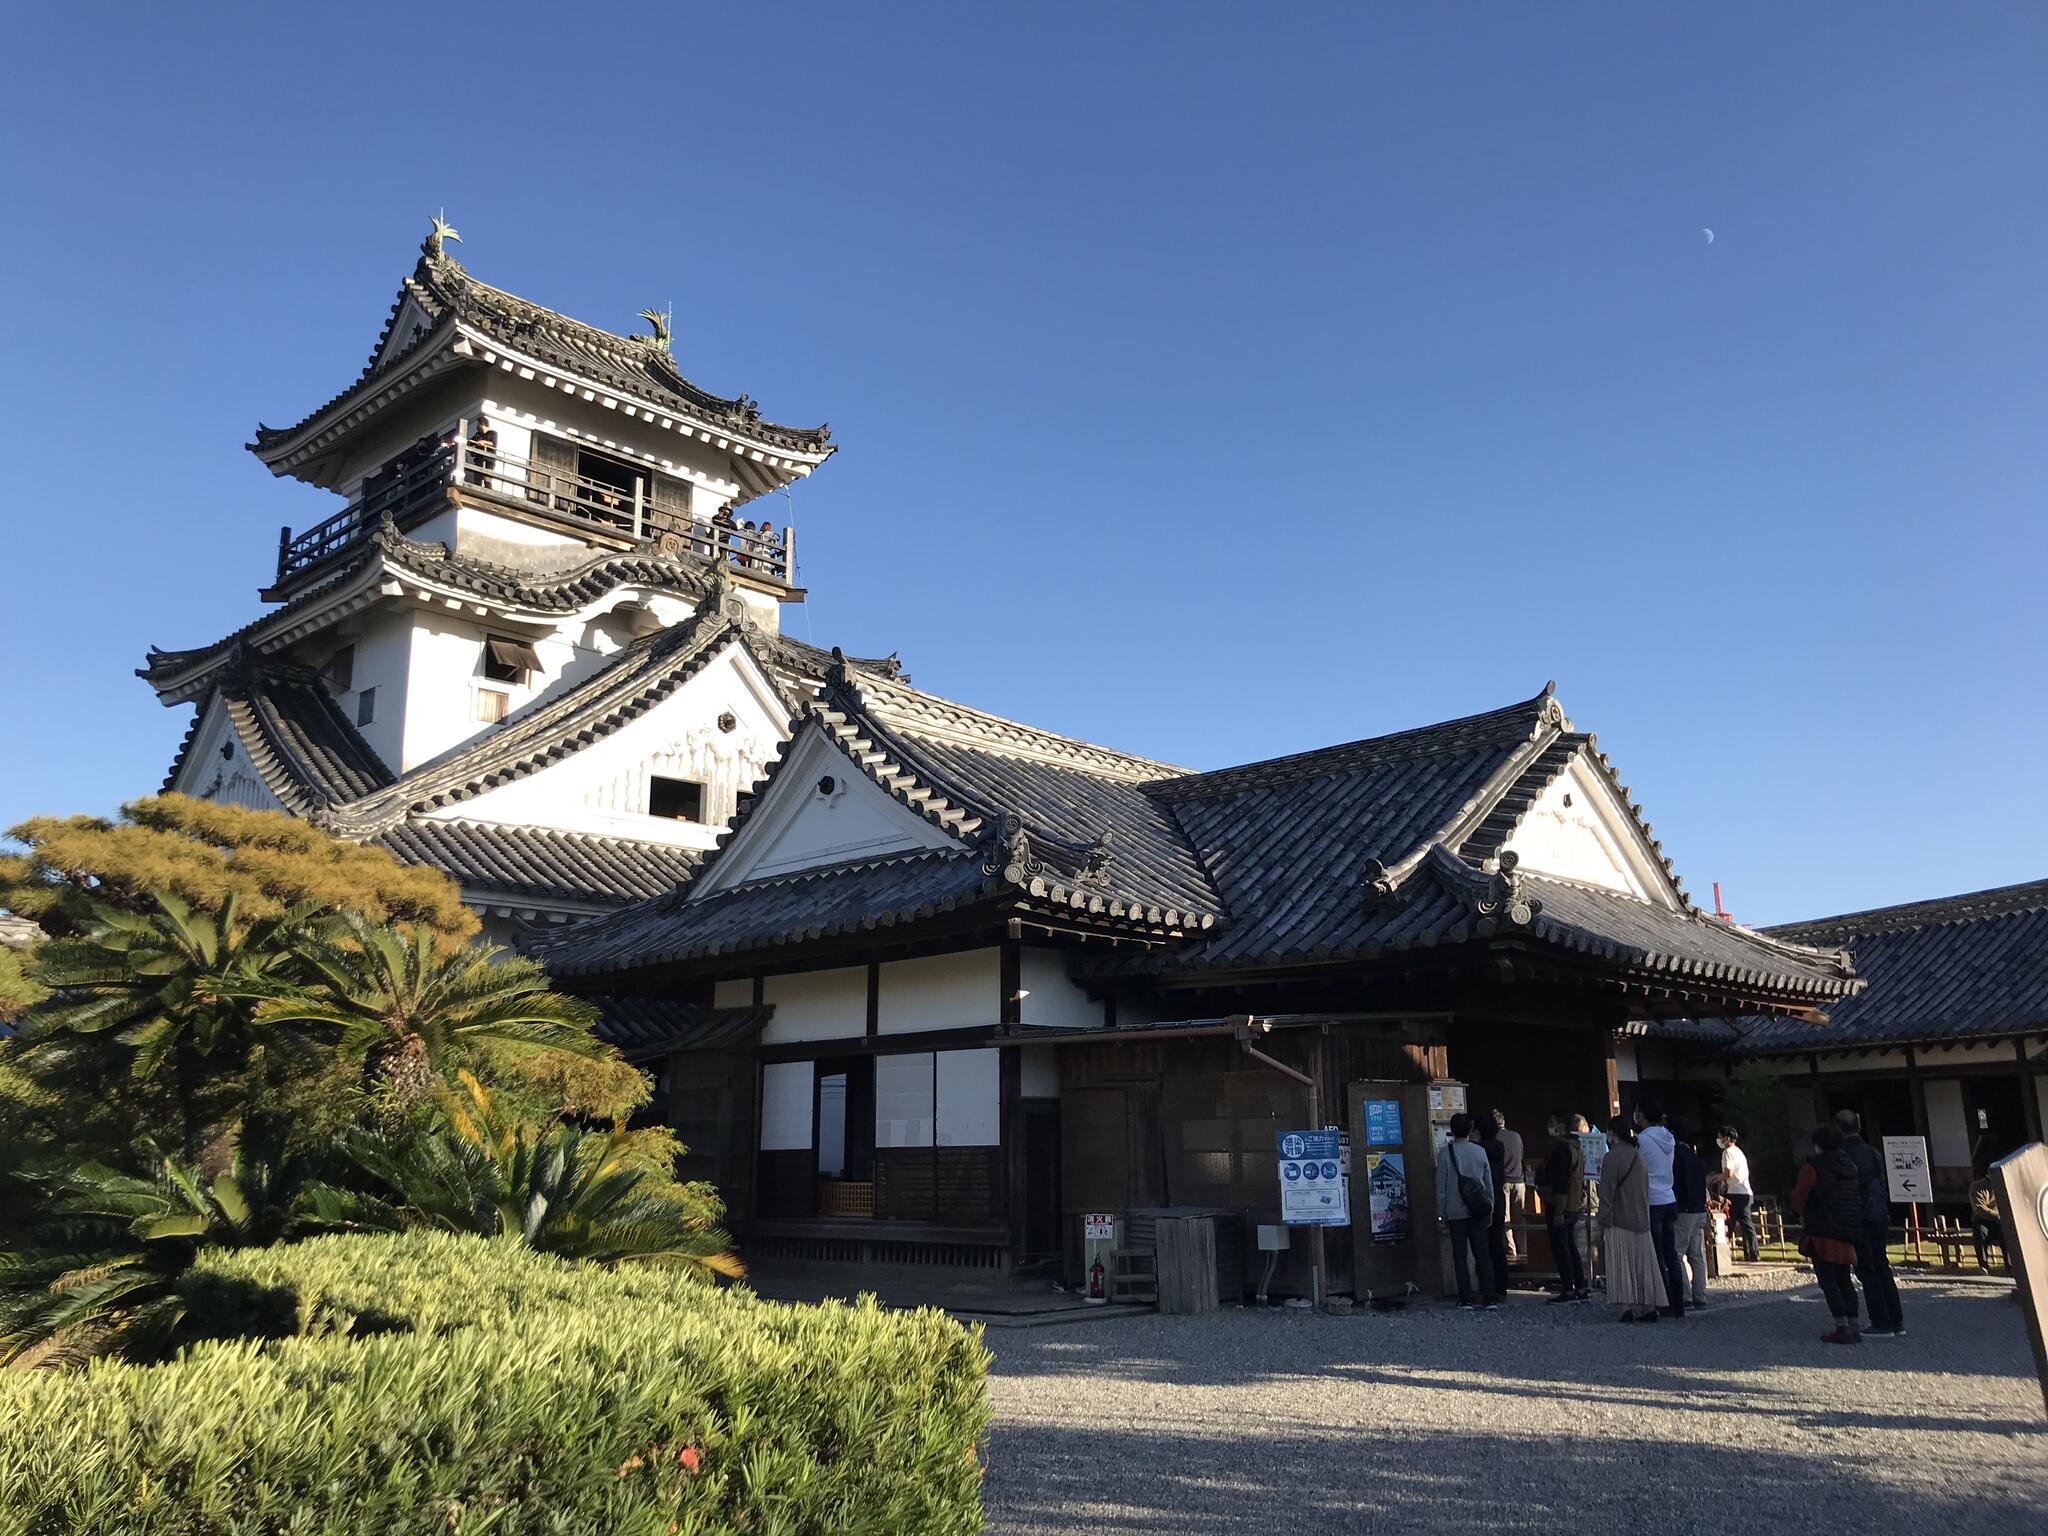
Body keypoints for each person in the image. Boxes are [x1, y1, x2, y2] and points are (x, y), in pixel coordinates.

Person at [1792, 1123, 1865, 1345]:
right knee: (1845, 1280)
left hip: (1822, 1228)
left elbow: (1799, 1197)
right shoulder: (1849, 1165)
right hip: (1847, 1227)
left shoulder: (1813, 1167)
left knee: (1828, 1281)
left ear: (1818, 1145)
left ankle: (1841, 1327)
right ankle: (1854, 1325)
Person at [1834, 1110, 1904, 1336]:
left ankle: (1880, 1321)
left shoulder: (1841, 1155)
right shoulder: (1873, 1153)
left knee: (1867, 1270)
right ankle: (1896, 1321)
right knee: (1882, 1267)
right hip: (1878, 1214)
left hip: (1858, 1217)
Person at [1598, 1120, 1667, 1323]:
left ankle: (1626, 1306)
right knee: (1643, 1264)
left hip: (1619, 1217)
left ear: (1611, 1134)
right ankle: (1648, 1305)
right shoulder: (1639, 1156)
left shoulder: (1611, 1158)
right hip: (1641, 1217)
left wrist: (1603, 1215)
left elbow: (1607, 1191)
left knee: (1621, 1263)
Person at [1435, 1114, 1497, 1310]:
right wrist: (1490, 1208)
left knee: (1460, 1256)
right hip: (1478, 1210)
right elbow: (1488, 1183)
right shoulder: (1480, 1152)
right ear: (1470, 1130)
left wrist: (1442, 1212)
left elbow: (1441, 1187)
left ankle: (1465, 1297)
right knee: (1482, 1254)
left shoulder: (1445, 1153)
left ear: (1452, 1130)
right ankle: (1489, 1297)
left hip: (1455, 1211)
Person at [1634, 1096, 1685, 1318]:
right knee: (1671, 1253)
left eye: (1637, 1112)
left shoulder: (1642, 1140)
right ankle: (1678, 1301)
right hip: (1669, 1195)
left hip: (1652, 1198)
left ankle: (1663, 1301)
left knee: (1657, 1255)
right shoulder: (1669, 1137)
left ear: (1643, 1115)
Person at [1542, 1109, 1590, 1303]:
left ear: (1562, 1127)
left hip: (1560, 1204)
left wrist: (1559, 1210)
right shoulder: (1576, 1147)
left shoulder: (1561, 1149)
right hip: (1573, 1204)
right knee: (1570, 1246)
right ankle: (1579, 1286)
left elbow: (1560, 1183)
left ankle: (1568, 1288)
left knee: (1561, 1247)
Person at [1671, 1120, 1710, 1309]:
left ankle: (1684, 1295)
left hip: (1684, 1209)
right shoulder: (1695, 1157)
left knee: (1677, 1253)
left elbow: (1678, 1184)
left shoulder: (1676, 1156)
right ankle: (1700, 1295)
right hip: (1699, 1208)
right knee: (1696, 1254)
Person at [1475, 1109, 1510, 1303]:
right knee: (1497, 1245)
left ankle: (1487, 1287)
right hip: (1499, 1198)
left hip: (1483, 1200)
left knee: (1484, 1247)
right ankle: (1501, 1286)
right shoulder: (1499, 1147)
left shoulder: (1479, 1150)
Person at [1716, 1127, 1759, 1262]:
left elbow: (1728, 1173)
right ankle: (1752, 1253)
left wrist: (1715, 1179)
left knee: (1728, 1223)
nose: (1719, 1140)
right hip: (1745, 1191)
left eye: (1720, 1136)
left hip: (1735, 1192)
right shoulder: (1739, 1152)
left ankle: (1723, 1255)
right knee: (1746, 1223)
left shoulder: (1727, 1152)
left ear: (1727, 1138)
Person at [1494, 1109, 1526, 1261]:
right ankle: (1523, 1248)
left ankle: (1511, 1250)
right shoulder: (1516, 1136)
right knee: (1520, 1217)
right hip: (1519, 1181)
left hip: (1504, 1181)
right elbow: (1521, 1154)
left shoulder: (1495, 1138)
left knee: (1505, 1218)